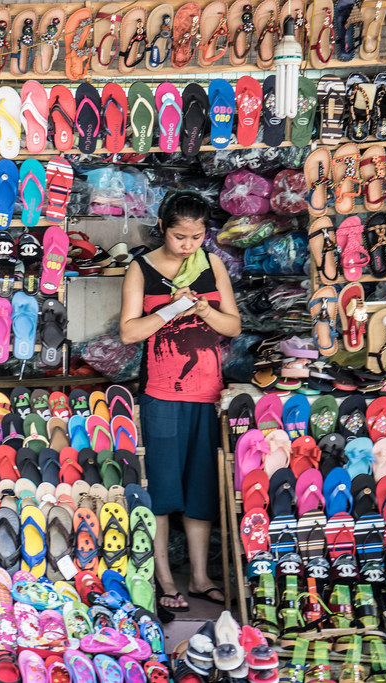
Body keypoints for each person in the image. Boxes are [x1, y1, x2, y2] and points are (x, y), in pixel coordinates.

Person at [119, 191, 241, 618]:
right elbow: (129, 333)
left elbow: (234, 325)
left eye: (197, 235)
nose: (189, 244)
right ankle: (166, 577)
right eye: (179, 236)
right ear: (163, 228)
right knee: (165, 490)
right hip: (162, 396)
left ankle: (201, 578)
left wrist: (205, 311)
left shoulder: (212, 264)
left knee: (200, 490)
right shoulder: (143, 269)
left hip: (208, 395)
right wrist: (173, 309)